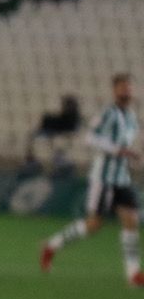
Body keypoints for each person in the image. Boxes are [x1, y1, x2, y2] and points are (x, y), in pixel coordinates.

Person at [41, 73, 141, 285]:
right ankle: (52, 245)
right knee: (94, 224)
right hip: (103, 178)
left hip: (121, 178)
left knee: (131, 220)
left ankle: (133, 273)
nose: (126, 91)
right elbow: (90, 138)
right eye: (122, 87)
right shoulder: (108, 113)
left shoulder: (132, 116)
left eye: (129, 87)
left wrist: (129, 155)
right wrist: (117, 150)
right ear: (114, 90)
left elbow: (125, 144)